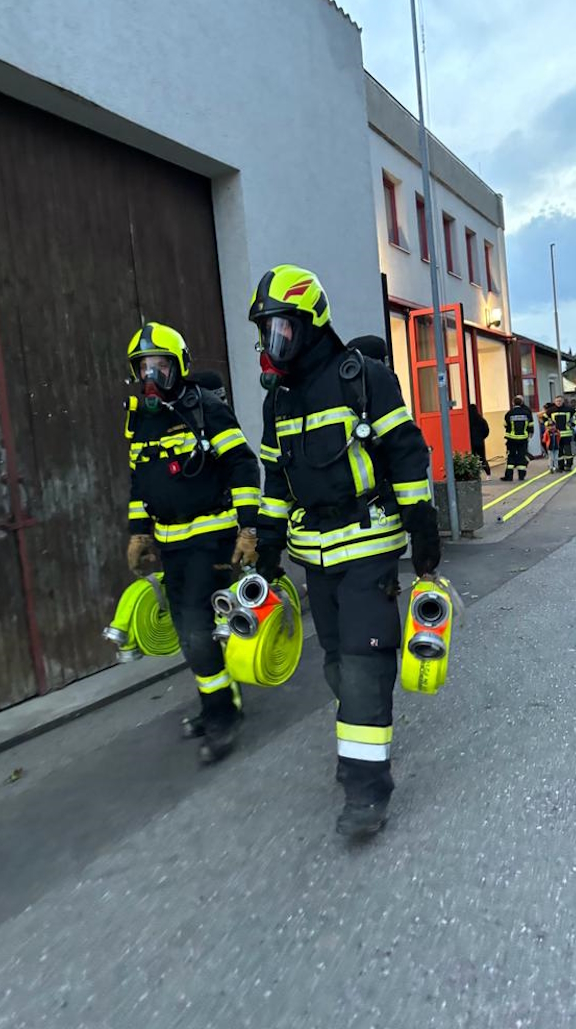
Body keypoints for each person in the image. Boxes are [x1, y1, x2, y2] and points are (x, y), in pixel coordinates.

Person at [249, 265, 440, 838]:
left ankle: (365, 788)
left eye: (281, 329)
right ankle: (363, 739)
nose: (272, 342)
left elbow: (406, 453)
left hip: (369, 545)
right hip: (315, 557)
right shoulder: (277, 402)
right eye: (266, 331)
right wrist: (267, 548)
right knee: (336, 663)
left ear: (310, 325)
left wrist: (422, 526)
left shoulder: (365, 379)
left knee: (361, 663)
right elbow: (276, 480)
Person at [124, 322, 261, 763]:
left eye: (160, 365)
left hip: (211, 536)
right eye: (144, 367)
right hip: (172, 542)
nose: (151, 376)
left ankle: (225, 714)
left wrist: (247, 529)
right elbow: (139, 480)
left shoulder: (206, 409)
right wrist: (139, 531)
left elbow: (242, 464)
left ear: (179, 366)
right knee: (190, 632)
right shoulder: (141, 419)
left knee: (196, 626)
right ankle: (215, 703)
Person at [501, 395, 534, 482]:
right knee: (521, 456)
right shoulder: (526, 413)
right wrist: (529, 434)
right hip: (523, 438)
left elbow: (505, 425)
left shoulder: (509, 413)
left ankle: (509, 476)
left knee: (511, 456)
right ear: (521, 403)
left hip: (511, 439)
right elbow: (530, 425)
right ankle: (521, 475)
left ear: (513, 403)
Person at [547, 394, 576, 472]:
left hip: (567, 433)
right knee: (559, 451)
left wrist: (573, 423)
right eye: (557, 401)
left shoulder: (569, 409)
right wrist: (549, 425)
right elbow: (543, 417)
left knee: (568, 451)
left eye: (560, 401)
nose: (558, 402)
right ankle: (560, 466)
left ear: (563, 401)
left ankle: (569, 465)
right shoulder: (551, 410)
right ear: (554, 402)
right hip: (556, 434)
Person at [468, 403, 491, 476]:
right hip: (480, 442)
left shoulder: (467, 420)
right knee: (482, 458)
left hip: (470, 442)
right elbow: (486, 430)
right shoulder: (481, 419)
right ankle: (488, 474)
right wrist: (482, 437)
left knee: (472, 458)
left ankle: (475, 474)